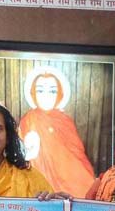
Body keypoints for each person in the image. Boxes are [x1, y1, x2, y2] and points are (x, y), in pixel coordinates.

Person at [18, 66, 95, 197]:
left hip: (67, 176)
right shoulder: (29, 119)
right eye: (40, 90)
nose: (46, 95)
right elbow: (26, 153)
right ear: (33, 93)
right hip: (39, 178)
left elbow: (76, 152)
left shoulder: (65, 121)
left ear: (60, 94)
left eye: (52, 91)